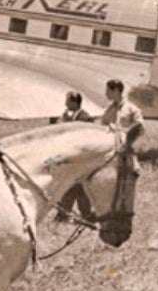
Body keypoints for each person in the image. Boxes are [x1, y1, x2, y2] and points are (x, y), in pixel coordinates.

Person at [55, 91, 93, 222]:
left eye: (68, 101)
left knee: (77, 186)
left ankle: (69, 213)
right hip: (67, 157)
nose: (65, 104)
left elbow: (83, 137)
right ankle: (76, 213)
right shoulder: (65, 116)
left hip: (79, 158)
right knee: (70, 185)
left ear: (75, 102)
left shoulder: (86, 118)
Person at [100, 79, 144, 148]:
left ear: (116, 91)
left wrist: (123, 130)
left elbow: (139, 126)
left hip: (126, 148)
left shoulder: (131, 109)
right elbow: (102, 124)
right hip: (107, 147)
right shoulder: (108, 109)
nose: (106, 93)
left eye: (108, 91)